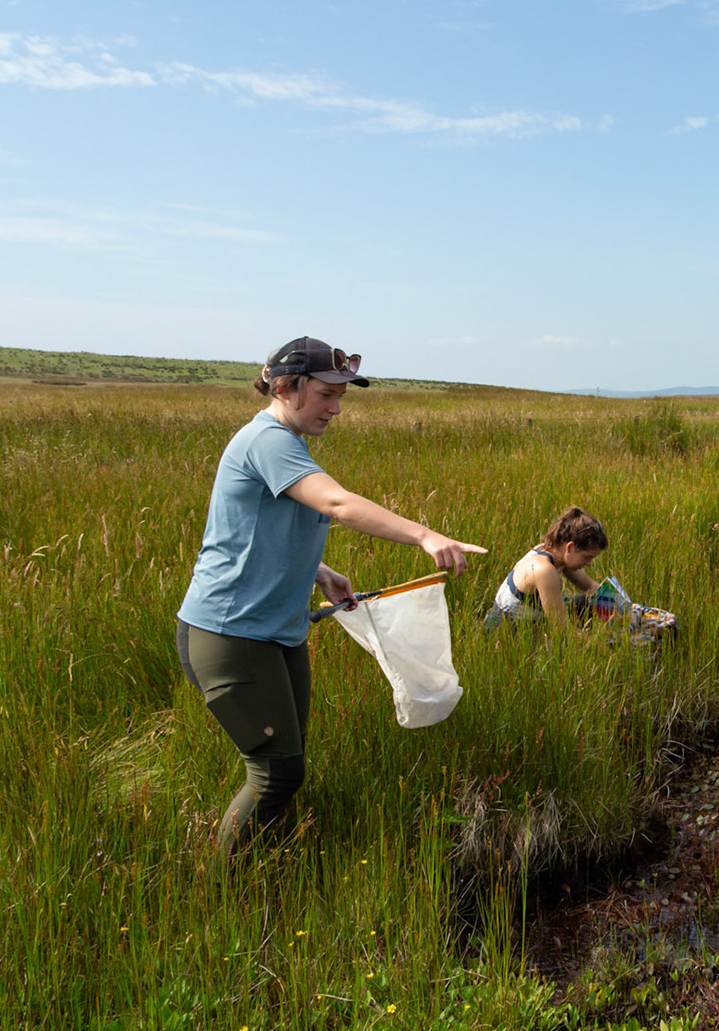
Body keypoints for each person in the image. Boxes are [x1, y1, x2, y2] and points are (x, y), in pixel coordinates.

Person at [175, 337, 486, 856]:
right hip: (232, 634)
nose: (336, 409)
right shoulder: (267, 441)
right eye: (325, 394)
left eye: (341, 396)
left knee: (285, 766)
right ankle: (220, 888)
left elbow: (254, 528)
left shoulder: (289, 444)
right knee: (275, 775)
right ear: (285, 387)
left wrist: (318, 572)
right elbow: (337, 503)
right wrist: (425, 536)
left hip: (278, 632)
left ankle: (266, 868)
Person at [485, 506, 609, 630]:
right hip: (507, 631)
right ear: (570, 547)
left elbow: (594, 589)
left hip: (528, 620)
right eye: (586, 557)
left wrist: (626, 607)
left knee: (592, 602)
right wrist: (600, 647)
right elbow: (562, 629)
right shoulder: (544, 570)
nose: (589, 563)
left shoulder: (553, 552)